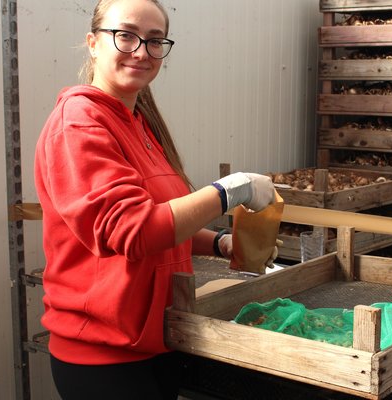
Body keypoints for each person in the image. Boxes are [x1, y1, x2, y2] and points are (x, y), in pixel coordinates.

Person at [33, 0, 276, 398]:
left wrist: (220, 243)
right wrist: (233, 189)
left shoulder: (137, 123)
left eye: (154, 40)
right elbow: (136, 231)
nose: (141, 51)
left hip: (155, 341)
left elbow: (160, 219)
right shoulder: (78, 123)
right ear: (93, 43)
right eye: (125, 36)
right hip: (104, 356)